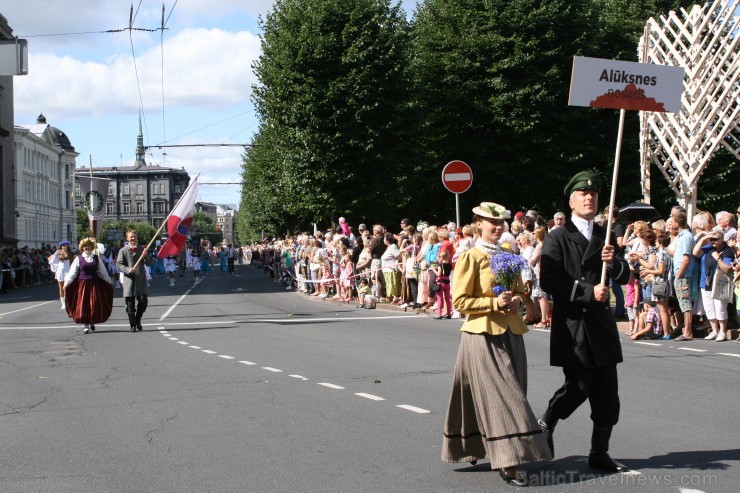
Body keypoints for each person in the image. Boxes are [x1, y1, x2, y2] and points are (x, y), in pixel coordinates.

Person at [442, 201, 551, 487]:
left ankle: (474, 446)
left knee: (487, 393)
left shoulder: (509, 253)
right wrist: (493, 301)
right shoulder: (470, 257)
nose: (498, 226)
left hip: (511, 332)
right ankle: (510, 460)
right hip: (481, 335)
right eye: (492, 221)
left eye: (501, 222)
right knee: (506, 396)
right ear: (478, 223)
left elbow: (521, 289)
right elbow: (460, 301)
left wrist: (518, 298)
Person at [538, 171, 631, 473]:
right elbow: (549, 279)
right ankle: (547, 420)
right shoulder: (557, 236)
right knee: (578, 387)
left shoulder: (605, 234)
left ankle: (599, 451)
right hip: (574, 323)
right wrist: (589, 292)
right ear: (571, 201)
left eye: (593, 195)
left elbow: (627, 275)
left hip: (601, 326)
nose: (589, 198)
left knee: (607, 394)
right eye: (583, 194)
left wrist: (612, 263)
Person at [64, 238, 114, 334]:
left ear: (92, 247)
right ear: (82, 248)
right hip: (82, 285)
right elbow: (72, 273)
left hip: (95, 284)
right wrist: (67, 283)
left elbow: (103, 272)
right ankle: (86, 325)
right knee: (83, 305)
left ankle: (92, 321)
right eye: (85, 246)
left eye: (89, 246)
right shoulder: (78, 259)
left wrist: (109, 281)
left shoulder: (96, 258)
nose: (87, 248)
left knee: (94, 304)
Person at [693, 230, 735, 341]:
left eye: (715, 239)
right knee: (709, 308)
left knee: (720, 308)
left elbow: (727, 268)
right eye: (711, 239)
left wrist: (718, 258)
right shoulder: (708, 248)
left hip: (719, 283)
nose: (713, 241)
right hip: (706, 282)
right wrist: (703, 239)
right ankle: (714, 330)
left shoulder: (727, 251)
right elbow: (695, 253)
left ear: (722, 239)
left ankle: (722, 331)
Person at [117, 230, 154, 332]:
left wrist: (146, 255)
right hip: (129, 280)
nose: (133, 239)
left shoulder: (142, 249)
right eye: (131, 237)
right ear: (127, 238)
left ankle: (138, 320)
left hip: (141, 280)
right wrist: (128, 270)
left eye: (134, 237)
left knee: (143, 301)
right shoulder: (123, 250)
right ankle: (132, 325)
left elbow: (148, 263)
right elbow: (119, 265)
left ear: (137, 238)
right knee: (130, 305)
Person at [671, 211, 696, 341]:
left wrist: (679, 275)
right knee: (683, 302)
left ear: (677, 222)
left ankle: (688, 331)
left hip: (683, 273)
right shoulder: (681, 236)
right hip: (680, 272)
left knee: (685, 302)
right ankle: (686, 330)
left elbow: (686, 258)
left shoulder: (686, 236)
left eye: (672, 221)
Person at [49, 241, 75, 309]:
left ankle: (68, 301)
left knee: (67, 286)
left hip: (68, 271)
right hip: (60, 271)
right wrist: (56, 265)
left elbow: (75, 260)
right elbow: (53, 260)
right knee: (61, 287)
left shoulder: (71, 253)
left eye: (65, 246)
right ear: (61, 246)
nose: (64, 247)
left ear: (68, 246)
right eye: (63, 246)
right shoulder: (58, 252)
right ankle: (63, 303)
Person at [432, 250, 452, 319]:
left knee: (439, 298)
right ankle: (448, 313)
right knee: (447, 299)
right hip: (447, 282)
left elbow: (439, 274)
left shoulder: (440, 265)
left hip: (440, 282)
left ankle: (439, 314)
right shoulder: (450, 265)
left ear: (441, 257)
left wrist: (434, 269)